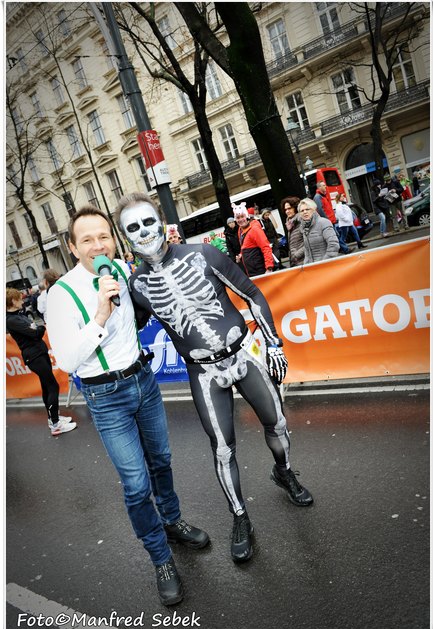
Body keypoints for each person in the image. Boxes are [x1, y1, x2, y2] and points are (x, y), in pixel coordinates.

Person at [116, 192, 313, 564]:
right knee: (222, 449)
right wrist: (109, 301)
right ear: (125, 236)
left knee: (277, 422)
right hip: (203, 372)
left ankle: (284, 472)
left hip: (243, 354)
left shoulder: (202, 254)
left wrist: (274, 343)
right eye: (133, 227)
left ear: (161, 223)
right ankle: (240, 517)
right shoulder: (137, 286)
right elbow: (130, 327)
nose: (143, 232)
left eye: (147, 222)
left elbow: (251, 293)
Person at [46, 205, 209, 606]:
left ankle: (172, 522)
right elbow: (66, 361)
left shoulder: (121, 269)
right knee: (136, 485)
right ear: (73, 248)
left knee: (162, 461)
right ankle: (160, 558)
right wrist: (100, 314)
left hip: (143, 381)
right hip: (105, 395)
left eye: (103, 236)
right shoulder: (60, 294)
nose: (97, 245)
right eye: (87, 239)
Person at [6, 288, 77, 436]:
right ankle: (55, 424)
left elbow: (35, 330)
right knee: (52, 386)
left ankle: (53, 418)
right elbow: (36, 333)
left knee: (47, 387)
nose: (22, 300)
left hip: (39, 353)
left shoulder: (18, 316)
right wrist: (37, 329)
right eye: (19, 298)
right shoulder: (11, 320)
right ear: (12, 301)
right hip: (34, 356)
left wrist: (36, 329)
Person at [232, 202, 274, 277]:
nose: (240, 220)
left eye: (242, 216)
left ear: (247, 216)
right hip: (250, 272)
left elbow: (266, 247)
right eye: (238, 218)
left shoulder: (254, 229)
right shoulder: (240, 230)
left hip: (260, 271)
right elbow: (244, 246)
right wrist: (241, 255)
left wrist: (269, 268)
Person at [298, 198, 340, 264]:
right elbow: (307, 251)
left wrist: (324, 263)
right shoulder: (304, 227)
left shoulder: (323, 222)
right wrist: (306, 264)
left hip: (326, 266)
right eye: (302, 211)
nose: (305, 212)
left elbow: (334, 245)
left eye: (307, 209)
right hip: (312, 267)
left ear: (313, 210)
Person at [313, 181, 350, 254]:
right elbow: (320, 210)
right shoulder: (318, 197)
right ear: (319, 187)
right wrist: (327, 220)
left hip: (330, 220)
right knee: (336, 235)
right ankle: (345, 249)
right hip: (328, 221)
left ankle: (341, 249)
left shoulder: (323, 196)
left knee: (335, 235)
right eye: (323, 185)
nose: (325, 186)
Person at [281, 197, 304, 267]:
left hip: (304, 261)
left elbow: (310, 242)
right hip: (296, 263)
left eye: (289, 208)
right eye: (285, 209)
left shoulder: (301, 221)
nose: (287, 211)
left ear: (295, 208)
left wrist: (296, 255)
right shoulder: (290, 224)